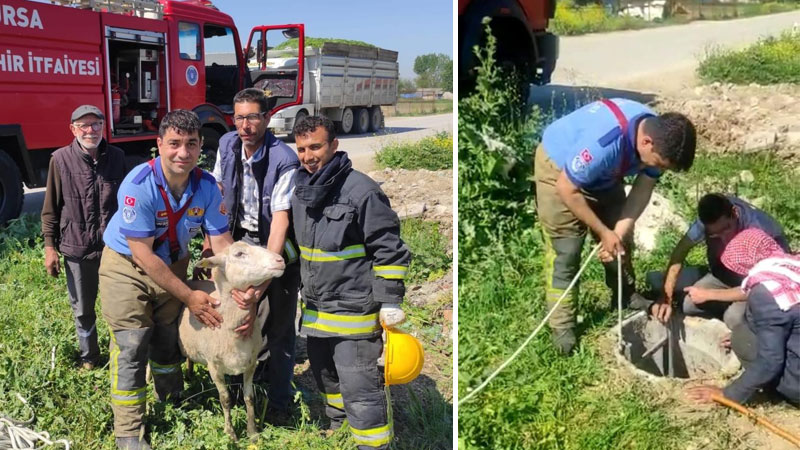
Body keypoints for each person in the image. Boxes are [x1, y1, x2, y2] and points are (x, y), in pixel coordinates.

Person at [99, 110, 243, 450]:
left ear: (199, 147)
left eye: (191, 144)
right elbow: (143, 256)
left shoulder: (207, 186)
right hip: (127, 269)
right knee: (132, 346)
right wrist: (191, 296)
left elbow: (222, 243)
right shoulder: (138, 185)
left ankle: (173, 399)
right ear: (159, 144)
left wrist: (239, 289)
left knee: (166, 340)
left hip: (174, 266)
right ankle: (129, 432)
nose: (183, 153)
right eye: (174, 144)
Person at [533, 97, 696, 354]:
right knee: (566, 252)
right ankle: (562, 325)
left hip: (605, 175)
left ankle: (625, 295)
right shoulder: (603, 143)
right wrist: (602, 231)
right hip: (559, 172)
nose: (655, 169)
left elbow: (643, 189)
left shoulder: (659, 137)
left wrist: (616, 232)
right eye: (657, 164)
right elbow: (567, 188)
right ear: (646, 142)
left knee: (621, 244)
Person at [291, 116, 411, 450]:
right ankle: (339, 428)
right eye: (301, 149)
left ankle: (372, 445)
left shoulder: (362, 192)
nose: (308, 155)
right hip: (316, 313)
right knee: (327, 377)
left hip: (354, 313)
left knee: (359, 388)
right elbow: (296, 246)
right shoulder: (302, 192)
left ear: (333, 145)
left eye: (315, 146)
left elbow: (389, 250)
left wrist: (390, 301)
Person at [207, 87, 301, 422]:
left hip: (274, 249)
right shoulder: (226, 144)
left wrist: (261, 281)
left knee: (279, 328)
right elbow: (215, 198)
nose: (246, 125)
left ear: (267, 118)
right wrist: (214, 246)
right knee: (236, 317)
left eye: (253, 117)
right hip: (239, 244)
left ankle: (279, 402)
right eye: (240, 117)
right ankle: (241, 383)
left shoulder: (283, 160)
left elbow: (280, 221)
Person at [41, 105, 126, 370]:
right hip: (77, 248)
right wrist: (49, 247)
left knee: (120, 308)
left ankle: (119, 358)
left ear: (104, 126)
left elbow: (128, 205)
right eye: (84, 125)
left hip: (113, 250)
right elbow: (50, 208)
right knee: (83, 310)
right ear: (73, 129)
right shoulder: (61, 159)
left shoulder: (118, 157)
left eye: (96, 124)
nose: (91, 130)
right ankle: (89, 358)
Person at [686, 228, 799, 407]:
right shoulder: (794, 266)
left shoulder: (765, 293)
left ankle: (781, 394)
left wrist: (727, 394)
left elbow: (771, 361)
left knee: (741, 337)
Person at [650, 193, 789, 329]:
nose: (724, 238)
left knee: (734, 318)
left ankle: (748, 328)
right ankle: (728, 308)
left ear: (734, 213)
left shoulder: (761, 229)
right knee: (688, 305)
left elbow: (771, 284)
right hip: (725, 275)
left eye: (726, 228)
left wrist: (710, 295)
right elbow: (679, 253)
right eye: (715, 234)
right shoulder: (707, 222)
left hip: (759, 286)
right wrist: (666, 298)